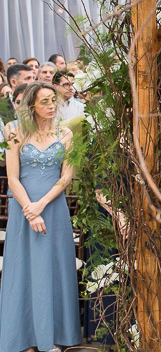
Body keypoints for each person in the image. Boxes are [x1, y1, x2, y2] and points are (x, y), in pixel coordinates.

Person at [0, 82, 81, 351]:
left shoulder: (66, 133)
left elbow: (66, 176)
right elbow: (12, 178)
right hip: (23, 209)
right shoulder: (13, 131)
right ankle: (24, 339)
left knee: (54, 268)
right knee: (23, 270)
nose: (50, 106)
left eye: (53, 100)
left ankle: (54, 336)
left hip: (54, 209)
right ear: (31, 105)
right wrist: (29, 210)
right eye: (44, 101)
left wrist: (42, 205)